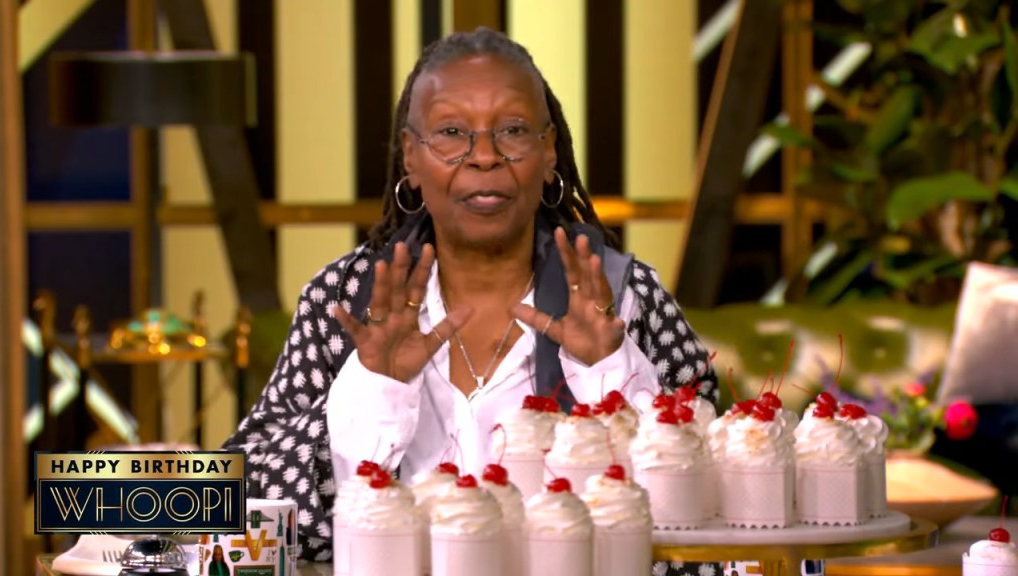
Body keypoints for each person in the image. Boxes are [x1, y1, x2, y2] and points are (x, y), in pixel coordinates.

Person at [223, 27, 718, 575]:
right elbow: (240, 501)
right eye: (452, 132)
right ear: (411, 156)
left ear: (549, 151)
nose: (485, 157)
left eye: (512, 130)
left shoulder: (625, 297)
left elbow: (711, 527)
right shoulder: (345, 300)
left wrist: (609, 373)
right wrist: (372, 391)